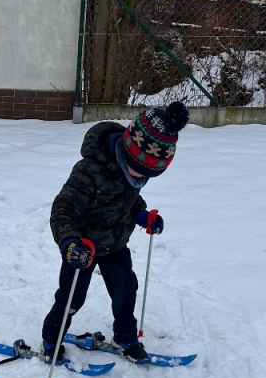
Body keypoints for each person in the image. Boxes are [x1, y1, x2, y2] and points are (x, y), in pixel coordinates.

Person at [41, 101, 189, 364]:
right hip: (84, 249)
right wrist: (70, 244)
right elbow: (63, 209)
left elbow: (130, 201)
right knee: (72, 297)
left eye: (148, 176)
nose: (140, 180)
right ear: (128, 151)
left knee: (126, 290)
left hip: (116, 245)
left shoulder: (134, 172)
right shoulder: (89, 170)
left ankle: (125, 337)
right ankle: (51, 339)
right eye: (140, 172)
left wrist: (143, 216)